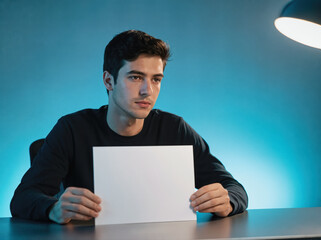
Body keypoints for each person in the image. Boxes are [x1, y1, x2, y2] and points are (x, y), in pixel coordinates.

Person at [10, 30, 248, 224]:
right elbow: (22, 199)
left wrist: (227, 200)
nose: (148, 90)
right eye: (135, 77)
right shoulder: (72, 129)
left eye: (156, 79)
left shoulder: (174, 129)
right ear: (108, 80)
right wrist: (53, 208)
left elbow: (235, 189)